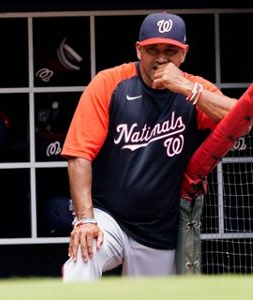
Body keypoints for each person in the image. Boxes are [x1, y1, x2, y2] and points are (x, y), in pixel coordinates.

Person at [60, 11, 237, 282]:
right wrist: (85, 219)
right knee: (82, 260)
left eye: (171, 50)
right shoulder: (110, 83)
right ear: (139, 50)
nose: (162, 57)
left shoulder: (193, 89)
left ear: (184, 53)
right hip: (108, 216)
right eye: (153, 49)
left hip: (158, 227)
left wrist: (188, 89)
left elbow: (241, 119)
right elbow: (79, 155)